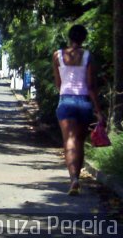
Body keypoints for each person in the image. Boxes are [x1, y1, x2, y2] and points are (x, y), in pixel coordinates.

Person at [52, 24, 104, 196]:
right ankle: (77, 178)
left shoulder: (57, 55)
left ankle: (73, 178)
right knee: (79, 142)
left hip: (65, 101)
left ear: (69, 37)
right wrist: (98, 110)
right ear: (83, 38)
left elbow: (58, 83)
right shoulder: (88, 56)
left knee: (69, 141)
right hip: (83, 103)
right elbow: (90, 85)